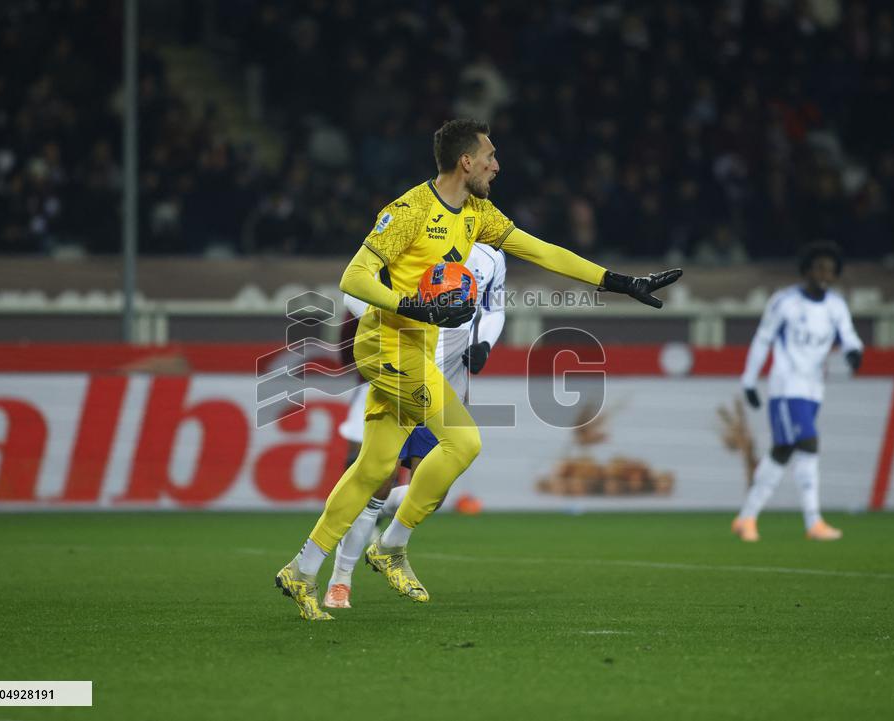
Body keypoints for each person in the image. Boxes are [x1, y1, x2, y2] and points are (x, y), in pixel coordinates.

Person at [275, 118, 682, 621]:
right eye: (489, 155)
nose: (497, 164)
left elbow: (541, 249)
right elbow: (353, 277)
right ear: (465, 161)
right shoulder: (409, 210)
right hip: (386, 345)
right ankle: (390, 545)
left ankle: (302, 568)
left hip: (415, 351)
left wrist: (618, 281)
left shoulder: (476, 213)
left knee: (376, 468)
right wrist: (415, 307)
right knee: (463, 442)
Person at [324, 242, 507, 609]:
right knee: (377, 478)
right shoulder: (416, 236)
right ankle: (339, 581)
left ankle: (384, 539)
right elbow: (355, 292)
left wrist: (484, 343)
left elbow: (494, 308)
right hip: (397, 375)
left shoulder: (491, 257)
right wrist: (397, 313)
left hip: (445, 386)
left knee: (431, 495)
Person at [733, 241, 863, 542]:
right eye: (819, 267)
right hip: (786, 385)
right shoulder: (785, 302)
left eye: (830, 270)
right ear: (806, 270)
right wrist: (749, 379)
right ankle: (813, 522)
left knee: (783, 451)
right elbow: (763, 339)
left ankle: (746, 518)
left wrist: (854, 352)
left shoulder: (835, 305)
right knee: (808, 442)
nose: (824, 274)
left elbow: (850, 336)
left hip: (814, 388)